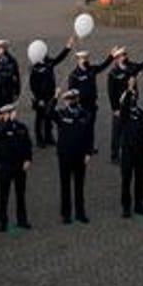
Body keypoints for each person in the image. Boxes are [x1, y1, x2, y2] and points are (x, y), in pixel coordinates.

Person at [106, 45, 143, 164]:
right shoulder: (113, 73)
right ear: (117, 58)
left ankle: (131, 151)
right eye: (122, 55)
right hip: (119, 106)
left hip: (132, 103)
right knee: (117, 131)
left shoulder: (132, 67)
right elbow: (110, 92)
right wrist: (115, 108)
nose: (125, 57)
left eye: (125, 54)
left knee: (132, 128)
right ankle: (114, 155)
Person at [52, 89, 94, 223]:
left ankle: (80, 213)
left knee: (79, 185)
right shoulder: (61, 114)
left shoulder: (85, 114)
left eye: (73, 99)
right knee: (65, 185)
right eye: (68, 99)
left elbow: (89, 135)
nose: (70, 101)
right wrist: (54, 97)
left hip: (80, 154)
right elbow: (48, 113)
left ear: (77, 99)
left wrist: (88, 152)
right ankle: (66, 214)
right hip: (65, 154)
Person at [117, 81, 143, 217]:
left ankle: (139, 204)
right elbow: (123, 106)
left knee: (140, 180)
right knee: (126, 180)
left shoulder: (142, 114)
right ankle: (126, 207)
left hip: (141, 152)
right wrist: (129, 90)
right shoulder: (125, 114)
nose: (133, 99)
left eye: (135, 96)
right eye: (131, 97)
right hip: (128, 151)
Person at [0, 103, 33, 232]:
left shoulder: (21, 128)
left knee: (20, 194)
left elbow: (28, 144)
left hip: (19, 165)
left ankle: (22, 219)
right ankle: (2, 221)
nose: (13, 115)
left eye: (13, 112)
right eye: (9, 113)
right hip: (5, 165)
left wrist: (28, 159)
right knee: (3, 195)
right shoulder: (0, 128)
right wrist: (6, 122)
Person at [29, 36, 73, 148]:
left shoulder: (48, 61)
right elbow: (33, 85)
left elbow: (58, 59)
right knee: (39, 119)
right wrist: (38, 99)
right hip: (40, 98)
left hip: (50, 94)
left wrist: (67, 48)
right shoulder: (34, 68)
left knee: (49, 115)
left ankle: (48, 137)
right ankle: (39, 139)